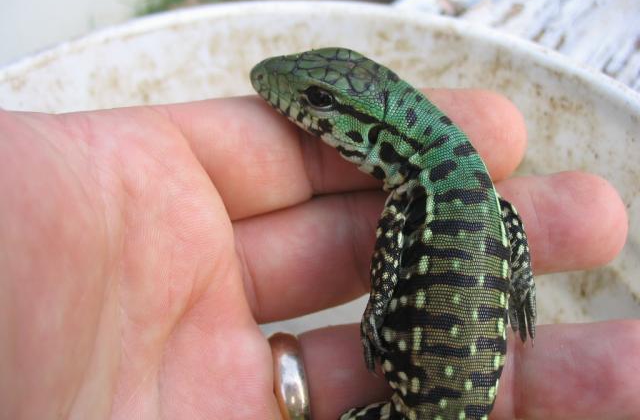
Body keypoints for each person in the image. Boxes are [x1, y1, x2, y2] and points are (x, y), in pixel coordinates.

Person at [0, 89, 636, 420]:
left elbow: (387, 275)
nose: (304, 111)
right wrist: (517, 278)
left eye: (316, 106)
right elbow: (507, 228)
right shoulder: (474, 190)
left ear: (373, 136)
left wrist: (381, 308)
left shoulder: (411, 204)